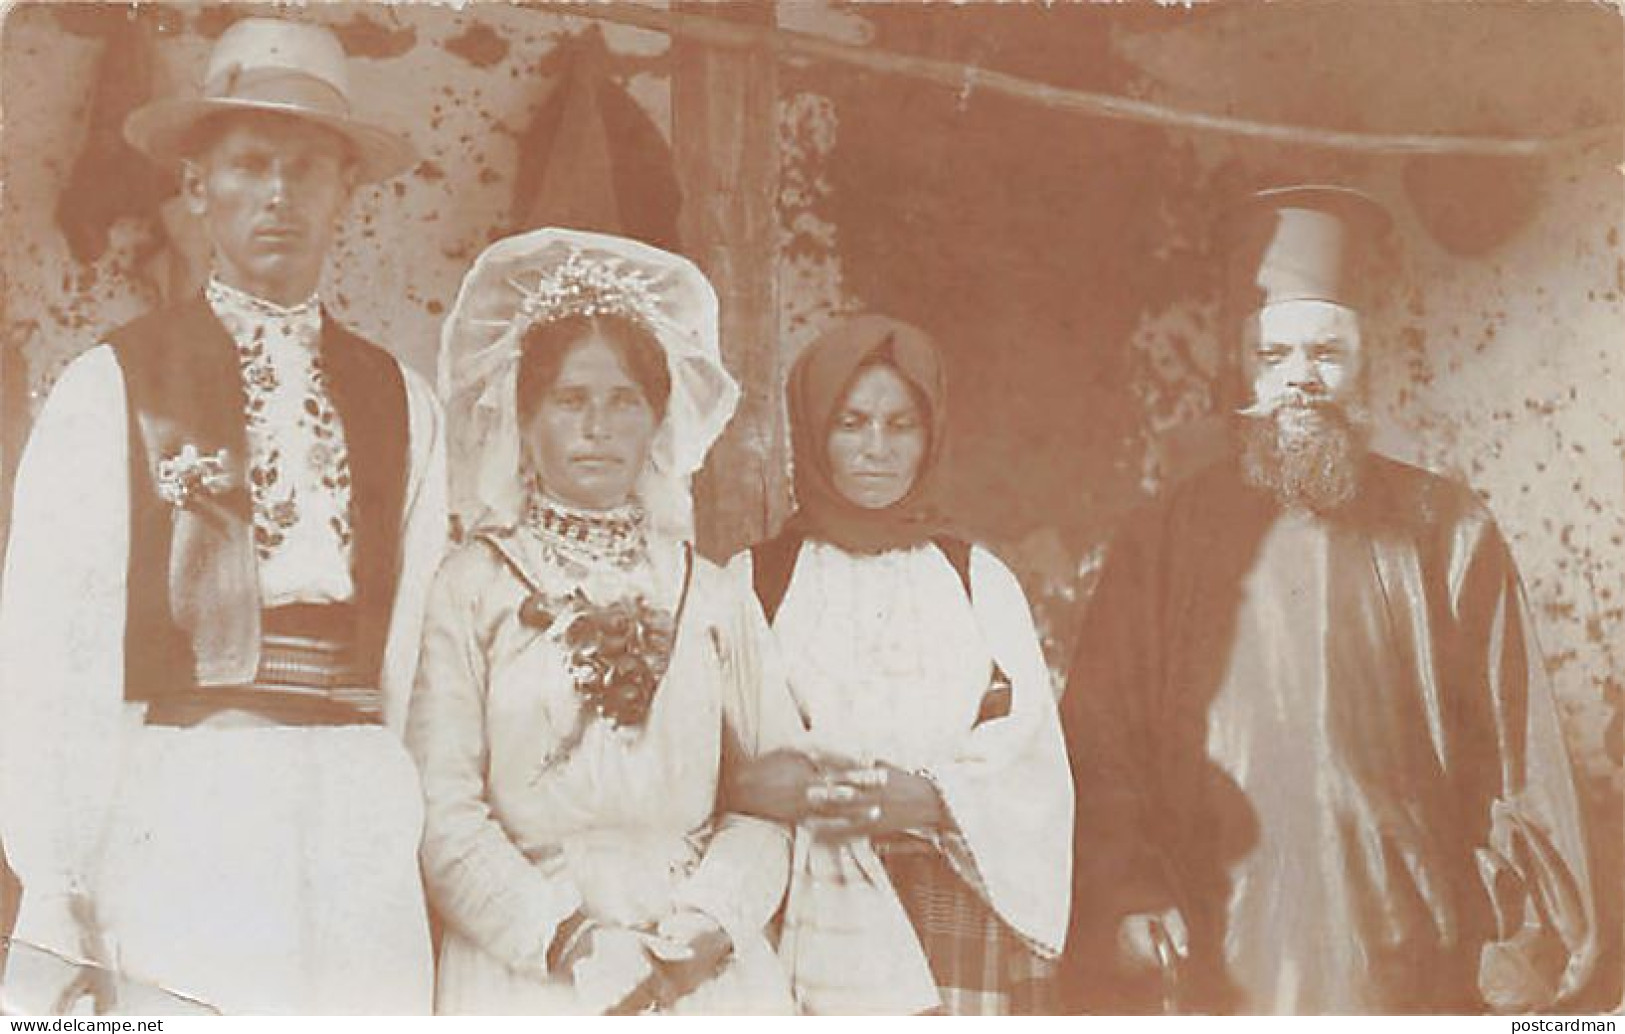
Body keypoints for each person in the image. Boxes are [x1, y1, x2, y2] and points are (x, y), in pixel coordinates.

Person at [1058, 185, 1597, 1014]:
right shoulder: (1160, 540)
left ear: (1362, 362)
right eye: (1272, 358)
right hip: (1212, 946)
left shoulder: (1447, 529)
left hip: (1408, 945)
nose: (1299, 380)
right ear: (1237, 367)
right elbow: (1100, 744)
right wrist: (1129, 888)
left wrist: (1517, 940)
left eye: (1325, 353)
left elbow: (1514, 759)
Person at [0, 18, 445, 1014]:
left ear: (346, 193)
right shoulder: (110, 385)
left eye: (306, 168)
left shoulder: (406, 401)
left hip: (357, 800)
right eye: (249, 165)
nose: (279, 194)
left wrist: (391, 801)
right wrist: (57, 877)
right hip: (186, 796)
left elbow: (415, 643)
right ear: (198, 188)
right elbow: (48, 646)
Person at [409, 228, 797, 1015]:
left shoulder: (713, 593)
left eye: (625, 401)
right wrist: (570, 940)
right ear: (526, 420)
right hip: (529, 962)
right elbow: (442, 809)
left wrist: (706, 928)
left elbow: (769, 791)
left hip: (694, 960)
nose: (599, 427)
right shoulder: (473, 584)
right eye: (570, 401)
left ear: (657, 420)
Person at [725, 315, 1074, 1015]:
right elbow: (717, 745)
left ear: (931, 434)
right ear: (815, 432)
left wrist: (932, 797)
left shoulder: (975, 579)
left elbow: (1028, 747)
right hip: (800, 896)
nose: (875, 449)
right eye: (851, 423)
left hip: (952, 889)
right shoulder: (754, 581)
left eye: (900, 424)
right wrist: (765, 785)